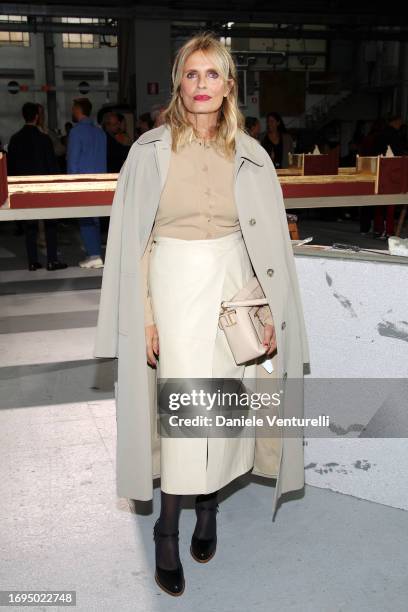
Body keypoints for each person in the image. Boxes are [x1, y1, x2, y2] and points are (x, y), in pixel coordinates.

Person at [94, 32, 310, 597]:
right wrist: (141, 314)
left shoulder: (251, 153)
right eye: (192, 75)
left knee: (227, 399)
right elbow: (133, 244)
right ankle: (168, 529)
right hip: (174, 282)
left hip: (235, 285)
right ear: (178, 84)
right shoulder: (150, 151)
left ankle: (208, 507)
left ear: (229, 86)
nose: (202, 85)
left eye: (212, 75)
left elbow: (267, 242)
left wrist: (267, 305)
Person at [7, 102, 68, 271]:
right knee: (50, 224)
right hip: (44, 187)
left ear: (24, 116)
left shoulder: (15, 139)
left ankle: (33, 262)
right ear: (37, 117)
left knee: (30, 225)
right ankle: (52, 260)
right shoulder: (44, 139)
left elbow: (10, 167)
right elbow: (52, 164)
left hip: (24, 187)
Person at [67, 97, 107, 268]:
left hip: (82, 181)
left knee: (85, 218)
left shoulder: (76, 132)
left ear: (78, 110)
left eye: (73, 108)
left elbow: (73, 160)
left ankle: (94, 254)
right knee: (95, 219)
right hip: (100, 181)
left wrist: (71, 183)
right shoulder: (100, 132)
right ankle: (95, 252)